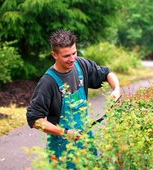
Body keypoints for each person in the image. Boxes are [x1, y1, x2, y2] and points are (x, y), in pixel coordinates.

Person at [26, 29, 121, 168]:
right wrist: (66, 133)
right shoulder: (48, 82)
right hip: (62, 147)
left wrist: (117, 89)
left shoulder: (81, 66)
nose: (72, 59)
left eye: (74, 53)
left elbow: (107, 73)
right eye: (66, 56)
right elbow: (34, 119)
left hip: (85, 140)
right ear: (54, 55)